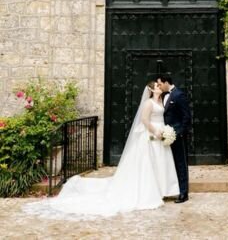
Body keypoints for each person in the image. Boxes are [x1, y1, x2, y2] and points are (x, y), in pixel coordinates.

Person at [23, 81, 179, 219]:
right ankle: (148, 192)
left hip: (160, 135)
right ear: (152, 90)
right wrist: (155, 131)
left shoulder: (162, 101)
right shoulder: (148, 103)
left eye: (160, 85)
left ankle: (160, 189)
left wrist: (164, 131)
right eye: (157, 85)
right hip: (150, 135)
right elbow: (145, 120)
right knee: (147, 164)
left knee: (159, 162)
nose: (160, 86)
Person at [156, 73, 191, 203]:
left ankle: (184, 193)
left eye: (160, 83)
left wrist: (180, 133)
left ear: (166, 82)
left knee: (181, 163)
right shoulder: (164, 96)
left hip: (177, 136)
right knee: (172, 163)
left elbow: (186, 116)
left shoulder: (179, 95)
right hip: (167, 136)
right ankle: (173, 189)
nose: (159, 86)